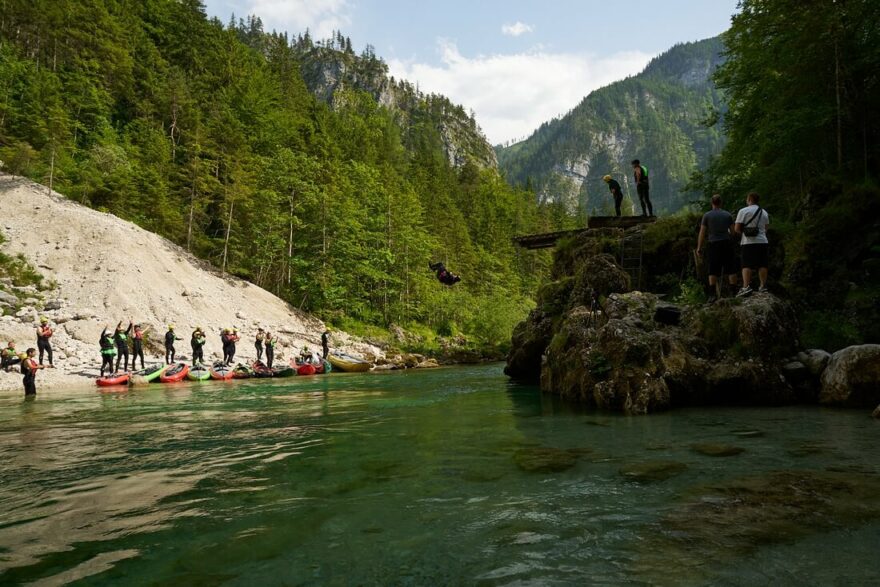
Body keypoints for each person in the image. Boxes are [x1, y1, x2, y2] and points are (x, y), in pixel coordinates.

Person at [696, 195, 739, 301]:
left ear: (712, 203)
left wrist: (699, 247)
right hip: (726, 243)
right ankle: (733, 293)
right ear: (721, 203)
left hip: (713, 244)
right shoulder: (727, 215)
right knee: (731, 268)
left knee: (713, 269)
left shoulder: (707, 215)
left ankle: (712, 295)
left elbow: (702, 232)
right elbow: (733, 232)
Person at [734, 192, 770, 296]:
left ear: (749, 199)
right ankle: (763, 286)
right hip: (762, 241)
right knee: (762, 264)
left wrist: (745, 232)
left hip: (748, 242)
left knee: (746, 264)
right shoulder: (764, 212)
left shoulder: (743, 211)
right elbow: (766, 228)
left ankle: (746, 287)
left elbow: (736, 229)